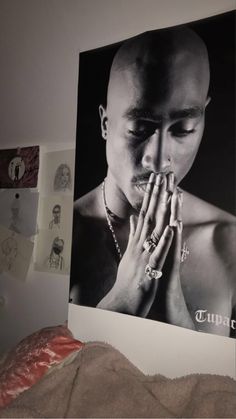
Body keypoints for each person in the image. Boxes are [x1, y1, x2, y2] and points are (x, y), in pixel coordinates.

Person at [70, 26, 236, 337]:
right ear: (106, 124)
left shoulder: (229, 243)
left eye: (183, 128)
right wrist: (120, 304)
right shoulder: (65, 234)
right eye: (139, 128)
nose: (159, 160)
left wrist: (176, 314)